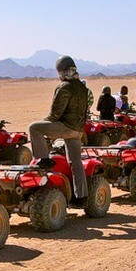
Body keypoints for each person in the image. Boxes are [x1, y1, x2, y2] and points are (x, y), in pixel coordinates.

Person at [28, 55, 89, 208]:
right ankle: (81, 197)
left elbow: (55, 113)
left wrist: (45, 123)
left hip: (66, 127)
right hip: (78, 130)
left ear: (61, 72)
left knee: (34, 128)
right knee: (76, 163)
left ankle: (44, 159)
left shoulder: (64, 87)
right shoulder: (82, 87)